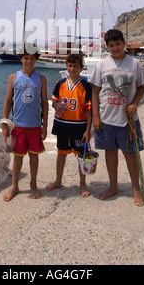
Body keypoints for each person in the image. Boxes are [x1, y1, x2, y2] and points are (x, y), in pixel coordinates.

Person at [91, 29, 144, 206]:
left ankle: (135, 189)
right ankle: (113, 186)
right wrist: (95, 117)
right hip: (106, 118)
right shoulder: (102, 65)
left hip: (127, 120)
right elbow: (95, 90)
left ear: (124, 43)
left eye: (117, 44)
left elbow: (141, 87)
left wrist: (134, 104)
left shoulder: (134, 64)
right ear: (107, 47)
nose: (115, 48)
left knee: (130, 154)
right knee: (110, 152)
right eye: (111, 45)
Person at [2, 42, 48, 201]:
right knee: (18, 157)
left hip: (35, 126)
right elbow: (8, 101)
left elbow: (44, 104)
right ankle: (14, 186)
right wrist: (5, 123)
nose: (29, 61)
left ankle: (33, 185)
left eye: (32, 58)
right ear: (21, 59)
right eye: (26, 58)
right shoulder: (13, 77)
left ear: (36, 60)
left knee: (34, 156)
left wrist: (45, 126)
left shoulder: (41, 78)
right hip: (18, 125)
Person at [46, 52, 92, 197]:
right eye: (70, 66)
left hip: (79, 126)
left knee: (81, 155)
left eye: (75, 66)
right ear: (66, 66)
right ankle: (58, 180)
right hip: (63, 125)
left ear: (81, 68)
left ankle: (82, 184)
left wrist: (88, 129)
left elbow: (89, 109)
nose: (72, 69)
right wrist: (56, 105)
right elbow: (54, 101)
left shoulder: (86, 86)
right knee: (61, 154)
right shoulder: (60, 84)